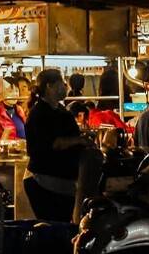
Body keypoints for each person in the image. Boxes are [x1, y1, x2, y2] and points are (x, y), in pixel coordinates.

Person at [23, 69, 93, 222]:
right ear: (50, 86)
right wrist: (79, 140)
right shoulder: (40, 113)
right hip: (45, 181)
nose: (66, 86)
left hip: (61, 182)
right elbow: (54, 143)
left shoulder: (59, 110)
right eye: (62, 82)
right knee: (55, 226)